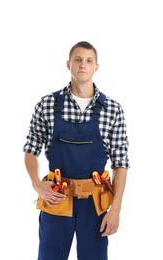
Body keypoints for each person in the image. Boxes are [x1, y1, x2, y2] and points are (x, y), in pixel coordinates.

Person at [23, 41, 130, 260]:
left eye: (89, 60)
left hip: (95, 202)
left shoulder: (112, 109)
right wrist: (36, 184)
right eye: (78, 60)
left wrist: (116, 210)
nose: (83, 65)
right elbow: (30, 149)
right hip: (56, 198)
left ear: (96, 67)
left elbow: (121, 162)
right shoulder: (47, 104)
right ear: (68, 64)